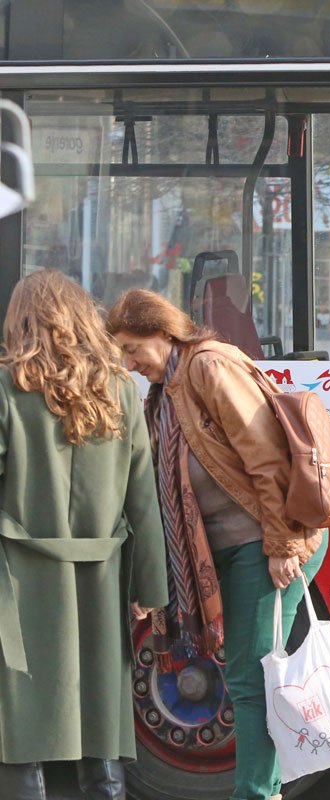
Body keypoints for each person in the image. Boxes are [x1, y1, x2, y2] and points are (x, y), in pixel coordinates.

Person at [106, 290, 327, 800]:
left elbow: (267, 457)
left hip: (267, 541)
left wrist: (281, 544)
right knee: (248, 674)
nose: (129, 362)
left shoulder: (208, 366)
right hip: (235, 545)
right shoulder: (168, 389)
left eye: (134, 348)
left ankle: (255, 793)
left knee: (250, 680)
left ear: (164, 334)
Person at [0, 270, 168, 800]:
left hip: (18, 578)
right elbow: (144, 498)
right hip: (103, 575)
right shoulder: (119, 387)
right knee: (102, 719)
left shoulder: (7, 384)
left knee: (19, 728)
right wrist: (151, 589)